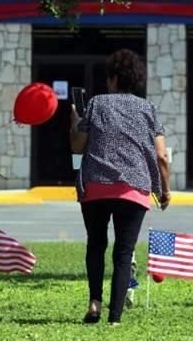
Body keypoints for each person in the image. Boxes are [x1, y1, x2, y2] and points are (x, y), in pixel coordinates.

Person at [70, 48, 171, 326]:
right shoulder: (148, 109)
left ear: (113, 78)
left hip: (96, 187)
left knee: (96, 244)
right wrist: (165, 191)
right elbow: (162, 156)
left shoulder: (97, 104)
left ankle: (94, 302)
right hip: (134, 189)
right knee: (123, 253)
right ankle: (115, 318)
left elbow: (78, 145)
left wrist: (74, 122)